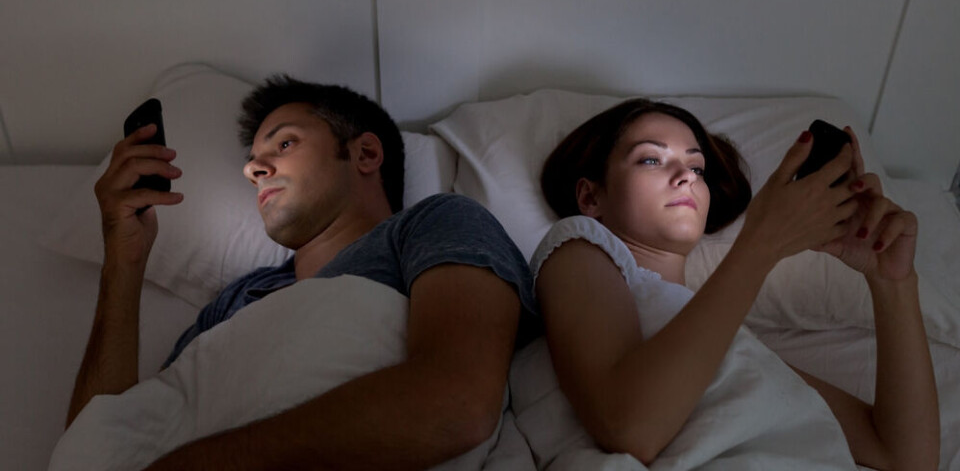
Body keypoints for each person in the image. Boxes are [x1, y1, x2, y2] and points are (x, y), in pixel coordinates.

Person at [65, 75, 537, 470]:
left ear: (366, 154)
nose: (254, 169)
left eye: (284, 143)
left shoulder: (434, 224)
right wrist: (123, 264)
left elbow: (457, 405)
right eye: (251, 165)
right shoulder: (233, 305)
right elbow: (103, 440)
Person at [534, 98, 940, 470]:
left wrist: (893, 283)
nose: (684, 177)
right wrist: (762, 244)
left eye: (697, 168)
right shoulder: (576, 247)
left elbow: (904, 457)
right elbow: (631, 427)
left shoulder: (734, 346)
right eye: (651, 160)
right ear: (590, 197)